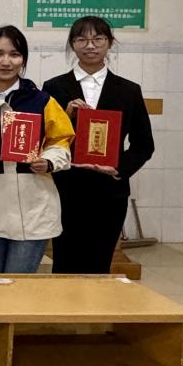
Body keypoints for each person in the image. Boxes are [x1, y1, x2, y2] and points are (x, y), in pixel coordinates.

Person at [43, 17, 154, 274]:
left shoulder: (128, 90)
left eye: (98, 39)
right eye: (81, 39)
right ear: (72, 44)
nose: (90, 46)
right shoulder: (54, 87)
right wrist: (65, 116)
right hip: (66, 187)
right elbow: (42, 138)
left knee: (100, 264)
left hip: (109, 191)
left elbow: (143, 144)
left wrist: (118, 169)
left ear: (109, 43)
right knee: (64, 261)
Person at [0, 25, 74, 274]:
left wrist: (48, 161)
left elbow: (61, 140)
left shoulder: (42, 101)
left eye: (14, 54)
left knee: (19, 287)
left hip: (35, 206)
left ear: (23, 59)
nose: (6, 62)